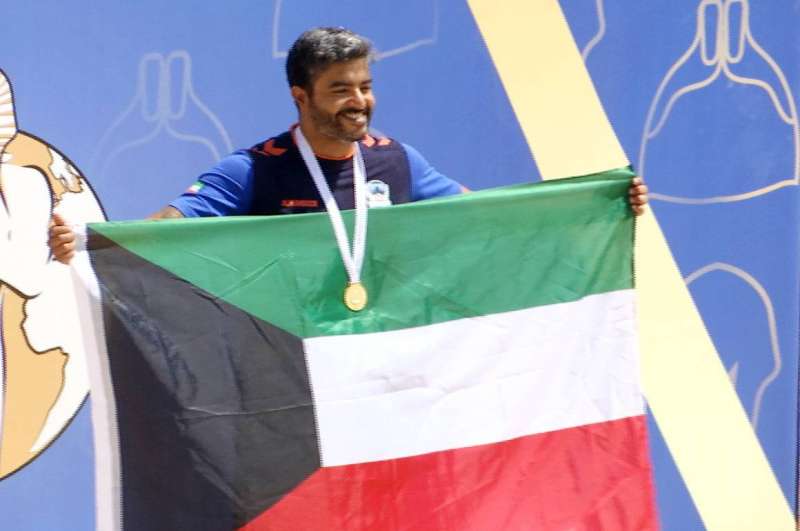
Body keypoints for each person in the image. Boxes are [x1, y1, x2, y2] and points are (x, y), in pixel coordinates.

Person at [49, 27, 648, 263]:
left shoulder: (397, 161)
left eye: (364, 86)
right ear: (301, 96)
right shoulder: (254, 170)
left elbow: (485, 214)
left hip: (378, 359)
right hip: (289, 366)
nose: (358, 101)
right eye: (340, 90)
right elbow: (169, 226)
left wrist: (596, 205)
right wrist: (88, 239)